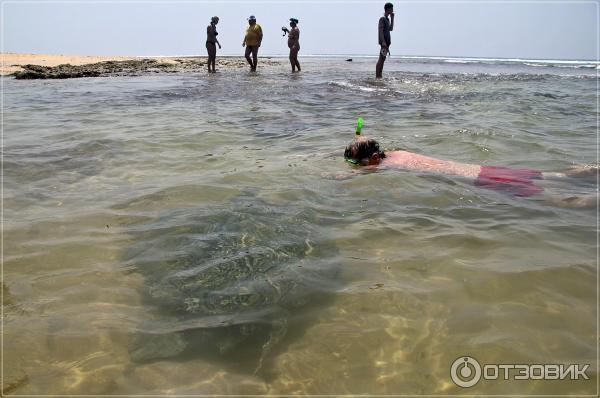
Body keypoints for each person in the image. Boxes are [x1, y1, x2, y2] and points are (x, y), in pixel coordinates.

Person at [343, 135, 597, 208]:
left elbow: (363, 173)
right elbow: (369, 154)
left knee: (560, 203)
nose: (358, 167)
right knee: (553, 176)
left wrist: (342, 175)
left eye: (358, 163)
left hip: (477, 180)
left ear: (374, 158)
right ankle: (585, 173)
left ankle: (588, 201)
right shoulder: (398, 153)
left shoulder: (386, 165)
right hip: (481, 169)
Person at [376, 2, 394, 79]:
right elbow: (380, 30)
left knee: (383, 59)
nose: (392, 10)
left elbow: (391, 29)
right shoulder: (382, 19)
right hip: (384, 43)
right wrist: (383, 42)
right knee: (381, 59)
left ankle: (380, 75)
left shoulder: (387, 19)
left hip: (387, 43)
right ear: (388, 9)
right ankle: (378, 76)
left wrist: (392, 18)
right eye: (391, 8)